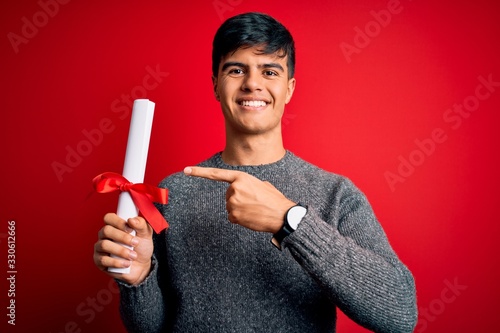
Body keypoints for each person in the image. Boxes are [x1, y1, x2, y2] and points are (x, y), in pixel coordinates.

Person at [93, 12, 417, 333]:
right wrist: (138, 279)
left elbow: (399, 313)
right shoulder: (171, 193)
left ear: (289, 89)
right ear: (216, 86)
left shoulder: (336, 194)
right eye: (236, 69)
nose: (252, 83)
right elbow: (152, 327)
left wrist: (290, 221)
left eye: (270, 71)